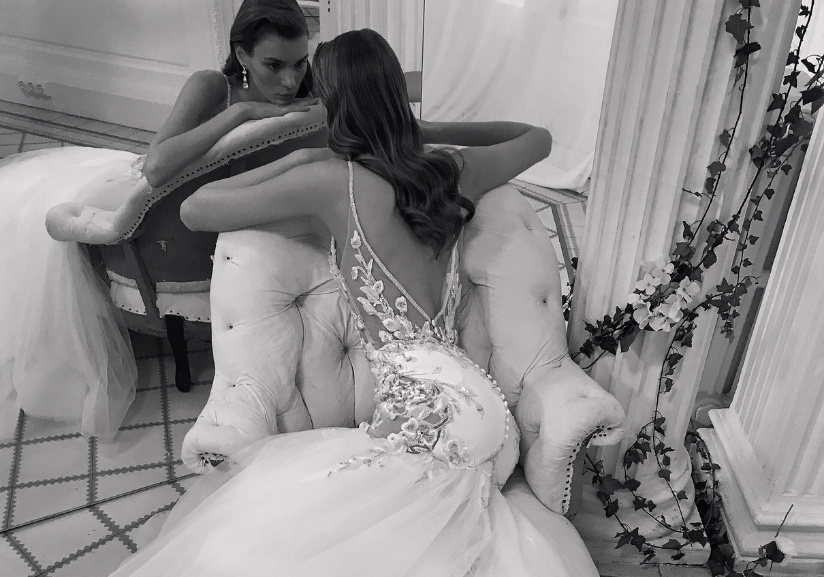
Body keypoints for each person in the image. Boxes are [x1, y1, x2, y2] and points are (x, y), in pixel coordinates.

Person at [108, 29, 599, 577]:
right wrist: (429, 133)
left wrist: (306, 153)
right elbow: (538, 138)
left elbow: (196, 208)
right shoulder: (453, 169)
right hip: (481, 413)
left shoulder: (330, 181)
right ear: (394, 93)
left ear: (334, 104)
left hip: (426, 418)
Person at [0, 0, 318, 442]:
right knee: (25, 221)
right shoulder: (211, 86)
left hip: (228, 224)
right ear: (243, 55)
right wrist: (241, 113)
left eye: (300, 63)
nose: (289, 81)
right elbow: (154, 167)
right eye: (274, 65)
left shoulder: (310, 93)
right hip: (151, 205)